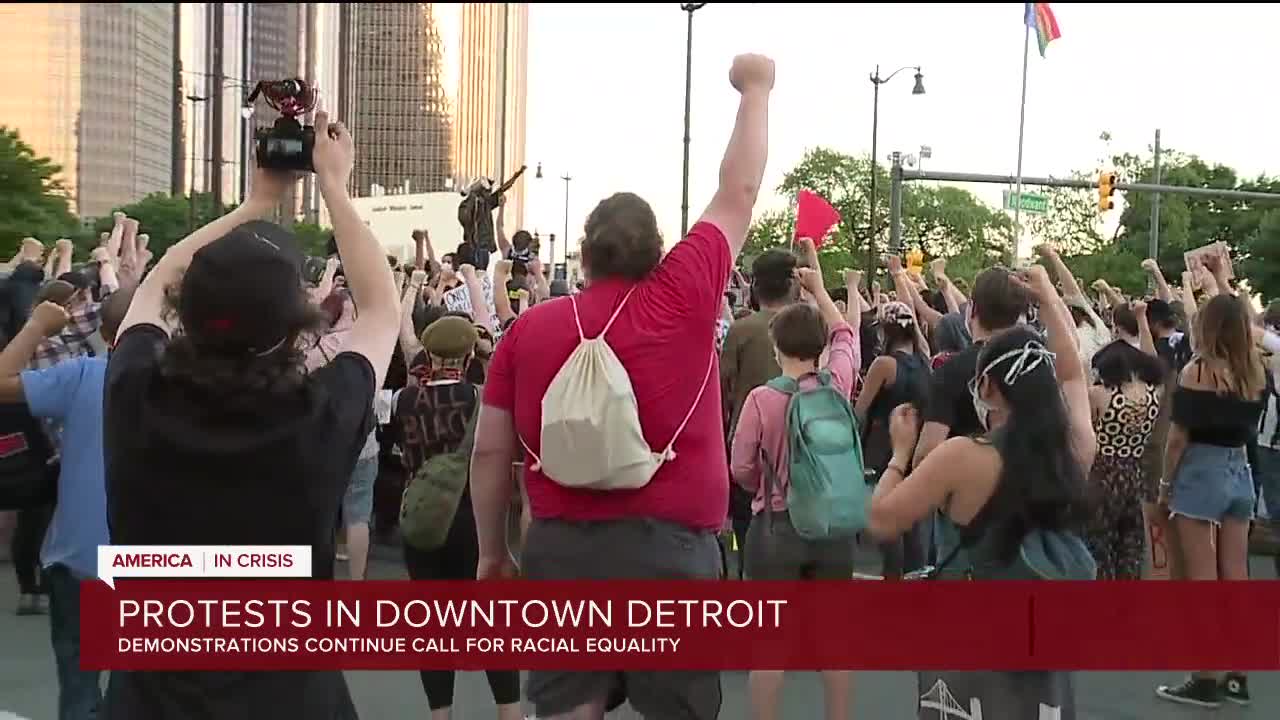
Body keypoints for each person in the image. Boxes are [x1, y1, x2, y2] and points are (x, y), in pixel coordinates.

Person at [470, 52, 774, 720]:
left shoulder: (530, 330)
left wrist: (493, 553)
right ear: (657, 250)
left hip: (561, 545)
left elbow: (492, 453)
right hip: (673, 548)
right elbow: (740, 191)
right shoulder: (684, 293)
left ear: (584, 253)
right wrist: (756, 88)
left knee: (568, 706)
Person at [102, 112, 400, 720]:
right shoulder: (315, 415)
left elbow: (154, 283)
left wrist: (255, 202)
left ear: (189, 316)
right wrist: (334, 187)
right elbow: (381, 310)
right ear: (293, 330)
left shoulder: (135, 393)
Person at [868, 264, 1096, 719]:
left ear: (988, 388)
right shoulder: (1074, 449)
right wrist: (1048, 299)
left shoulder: (963, 457)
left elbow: (883, 519)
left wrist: (898, 453)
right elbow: (1073, 376)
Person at [729, 259, 858, 720]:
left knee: (769, 648)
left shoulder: (762, 399)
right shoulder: (838, 386)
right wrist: (821, 290)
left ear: (776, 344)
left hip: (777, 527)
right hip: (832, 526)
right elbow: (847, 335)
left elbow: (740, 467)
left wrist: (763, 485)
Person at [0, 286, 131, 720]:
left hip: (80, 559)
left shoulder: (84, 376)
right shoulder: (192, 385)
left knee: (78, 686)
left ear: (108, 332)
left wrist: (36, 325)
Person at [394, 311, 522, 720]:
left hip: (422, 519)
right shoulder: (480, 399)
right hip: (474, 520)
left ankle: (440, 716)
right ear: (469, 357)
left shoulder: (405, 400)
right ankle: (509, 712)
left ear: (428, 355)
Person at [1154, 293, 1265, 709]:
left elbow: (1178, 438)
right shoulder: (1254, 372)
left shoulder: (1196, 371)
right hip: (1240, 472)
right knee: (1236, 577)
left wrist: (1165, 486)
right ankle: (1237, 673)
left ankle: (1204, 678)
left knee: (1200, 580)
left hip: (1201, 472)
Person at [720, 247, 798, 573]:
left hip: (748, 451)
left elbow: (722, 392)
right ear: (793, 284)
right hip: (800, 448)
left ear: (754, 287)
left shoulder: (741, 330)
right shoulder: (810, 325)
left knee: (746, 535)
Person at [913, 266, 1029, 467]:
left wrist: (901, 452)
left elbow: (926, 458)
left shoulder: (950, 372)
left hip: (963, 490)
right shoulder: (1035, 367)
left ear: (973, 309)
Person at [1084, 301, 1163, 579]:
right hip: (1135, 473)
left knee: (1099, 545)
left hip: (1102, 474)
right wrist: (1142, 319)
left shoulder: (1098, 395)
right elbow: (1153, 357)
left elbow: (1084, 432)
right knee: (1130, 545)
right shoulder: (1154, 393)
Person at [854, 298, 931, 576]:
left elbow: (860, 411)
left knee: (888, 526)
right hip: (917, 448)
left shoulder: (884, 365)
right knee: (912, 525)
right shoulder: (925, 364)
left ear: (884, 332)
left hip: (883, 452)